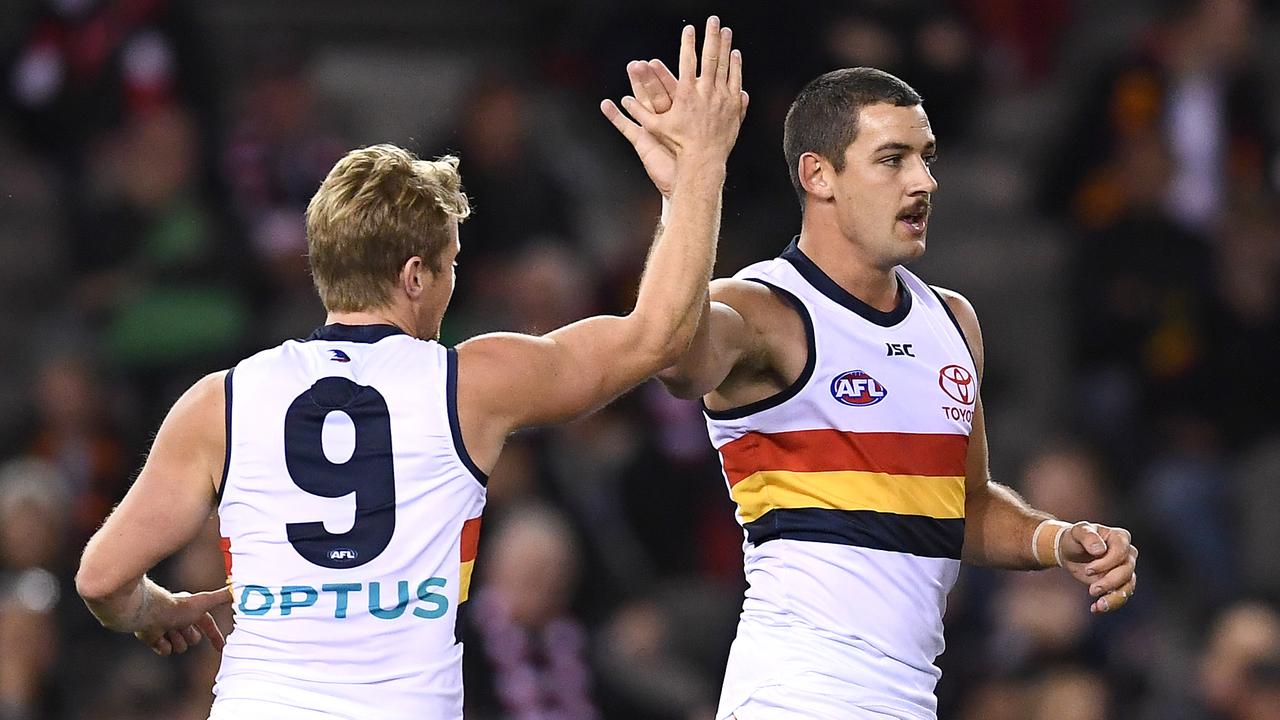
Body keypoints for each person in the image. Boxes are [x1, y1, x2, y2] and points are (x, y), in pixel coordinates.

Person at [73, 17, 746, 719]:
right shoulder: (470, 386)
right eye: (451, 264)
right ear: (416, 276)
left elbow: (100, 577)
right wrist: (694, 175)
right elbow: (658, 333)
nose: (453, 282)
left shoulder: (221, 402)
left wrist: (154, 609)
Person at [618, 61, 1139, 718]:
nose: (924, 182)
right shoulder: (764, 310)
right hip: (795, 696)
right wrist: (692, 186)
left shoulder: (953, 323)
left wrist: (1056, 539)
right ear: (819, 175)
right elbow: (670, 351)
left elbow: (964, 506)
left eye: (926, 158)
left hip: (907, 699)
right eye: (892, 159)